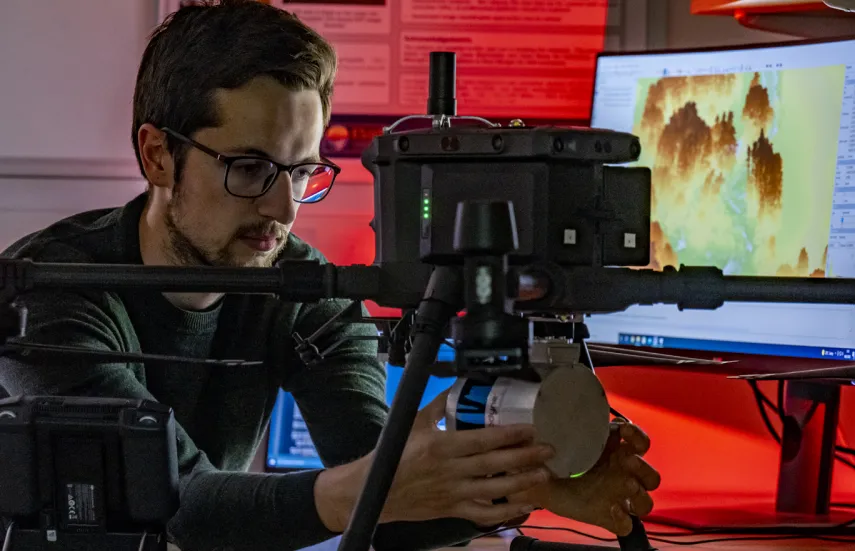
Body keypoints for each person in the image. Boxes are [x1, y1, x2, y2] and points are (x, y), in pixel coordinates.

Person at [0, 1, 660, 550]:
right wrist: (386, 482)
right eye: (250, 169)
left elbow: (388, 491)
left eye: (302, 171)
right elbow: (177, 504)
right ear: (158, 155)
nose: (284, 208)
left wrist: (527, 482)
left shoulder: (305, 288)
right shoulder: (49, 294)